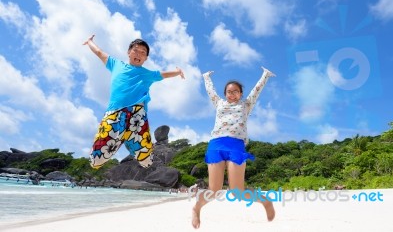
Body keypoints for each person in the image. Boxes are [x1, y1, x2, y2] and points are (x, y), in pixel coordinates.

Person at [83, 34, 185, 169]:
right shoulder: (115, 64)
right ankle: (121, 140)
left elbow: (164, 74)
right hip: (115, 113)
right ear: (129, 52)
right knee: (96, 160)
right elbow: (99, 52)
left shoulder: (147, 74)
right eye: (136, 50)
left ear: (146, 58)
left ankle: (131, 143)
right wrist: (90, 42)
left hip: (137, 115)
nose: (139, 54)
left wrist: (178, 72)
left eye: (143, 53)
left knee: (146, 160)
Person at [192, 67, 276, 229]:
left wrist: (265, 75)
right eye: (229, 92)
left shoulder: (246, 104)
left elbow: (257, 90)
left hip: (236, 145)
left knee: (237, 191)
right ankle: (196, 209)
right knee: (214, 190)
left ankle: (265, 202)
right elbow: (211, 91)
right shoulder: (219, 103)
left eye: (235, 91)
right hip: (216, 144)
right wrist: (206, 77)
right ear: (225, 94)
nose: (232, 94)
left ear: (241, 94)